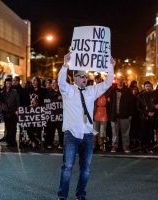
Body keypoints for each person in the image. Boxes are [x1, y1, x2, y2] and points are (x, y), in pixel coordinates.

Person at [57, 53, 114, 200]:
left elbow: (107, 83)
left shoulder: (91, 91)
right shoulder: (68, 90)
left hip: (88, 134)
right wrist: (65, 65)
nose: (84, 79)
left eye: (85, 76)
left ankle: (80, 194)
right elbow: (60, 82)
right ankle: (62, 196)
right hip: (71, 134)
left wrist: (110, 66)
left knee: (86, 169)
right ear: (75, 78)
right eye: (81, 76)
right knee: (67, 167)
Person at [108, 76, 134, 153]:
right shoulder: (112, 90)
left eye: (122, 80)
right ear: (116, 81)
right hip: (114, 115)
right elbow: (109, 104)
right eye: (118, 80)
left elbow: (131, 103)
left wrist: (130, 114)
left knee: (125, 132)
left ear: (124, 81)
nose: (120, 81)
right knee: (114, 133)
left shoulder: (128, 90)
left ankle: (126, 146)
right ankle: (114, 146)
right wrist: (110, 114)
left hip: (125, 115)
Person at [0, 77, 20, 147]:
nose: (8, 84)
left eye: (9, 83)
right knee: (7, 127)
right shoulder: (2, 92)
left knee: (13, 128)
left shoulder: (14, 91)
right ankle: (8, 141)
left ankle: (13, 142)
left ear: (11, 84)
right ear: (5, 84)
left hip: (13, 112)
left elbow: (17, 102)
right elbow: (1, 102)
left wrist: (17, 110)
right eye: (7, 83)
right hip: (6, 112)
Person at [137, 81, 155, 153]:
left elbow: (156, 105)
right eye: (147, 86)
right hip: (143, 117)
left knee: (150, 133)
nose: (148, 87)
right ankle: (142, 147)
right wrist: (147, 113)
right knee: (143, 132)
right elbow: (138, 107)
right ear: (144, 87)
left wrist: (154, 112)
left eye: (149, 86)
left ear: (152, 87)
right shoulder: (140, 95)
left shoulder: (154, 95)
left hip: (152, 116)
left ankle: (148, 147)